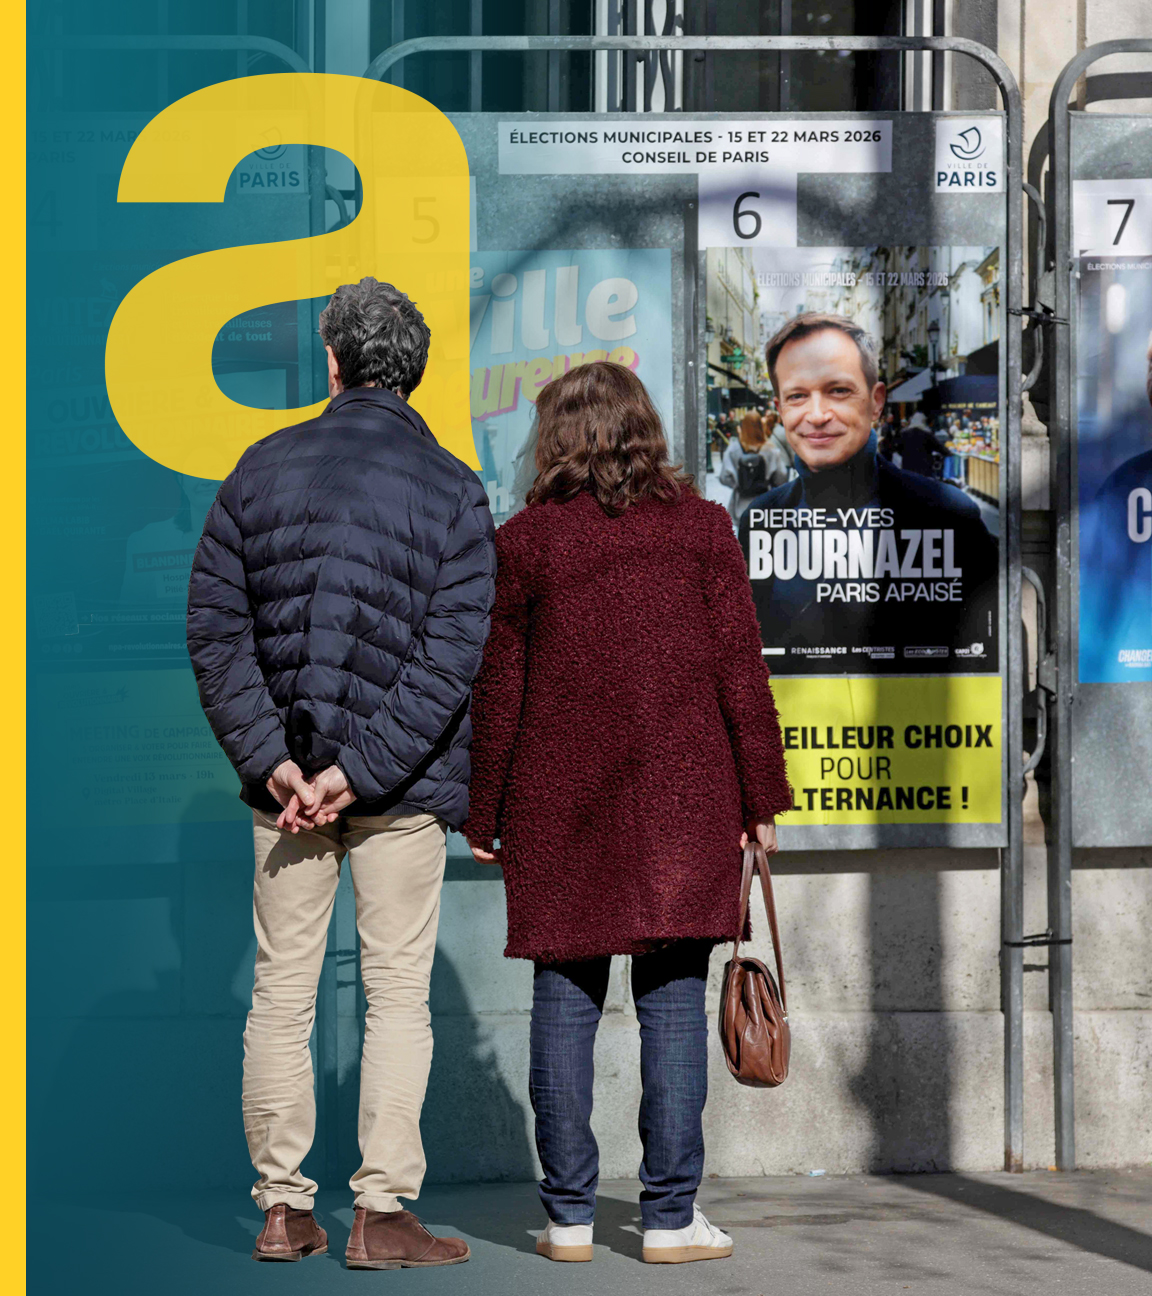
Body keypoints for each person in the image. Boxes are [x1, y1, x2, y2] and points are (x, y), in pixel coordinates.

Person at [186, 277, 495, 1269]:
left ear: (332, 363)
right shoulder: (453, 489)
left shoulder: (257, 470)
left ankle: (282, 1209)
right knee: (397, 991)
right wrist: (360, 772)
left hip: (286, 793)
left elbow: (215, 631)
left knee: (283, 987)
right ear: (415, 371)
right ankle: (381, 1214)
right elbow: (451, 660)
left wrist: (278, 764)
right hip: (394, 793)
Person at [460, 361, 792, 1267]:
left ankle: (568, 1218)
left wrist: (482, 810)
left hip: (557, 810)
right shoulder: (701, 530)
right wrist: (761, 795)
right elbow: (740, 673)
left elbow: (501, 691)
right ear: (645, 432)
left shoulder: (523, 542)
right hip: (686, 808)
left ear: (556, 439)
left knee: (563, 1008)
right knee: (675, 1009)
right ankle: (672, 1219)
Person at [739, 312, 998, 665]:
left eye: (839, 390)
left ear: (876, 401)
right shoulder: (760, 522)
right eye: (797, 396)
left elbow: (990, 658)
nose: (816, 414)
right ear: (780, 409)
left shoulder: (947, 515)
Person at [718, 409, 790, 523]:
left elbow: (724, 477)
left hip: (740, 506)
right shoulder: (770, 449)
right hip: (765, 505)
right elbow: (781, 478)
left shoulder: (733, 449)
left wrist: (740, 484)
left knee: (742, 536)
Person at [899, 409, 950, 478]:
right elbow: (939, 447)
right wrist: (948, 452)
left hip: (907, 468)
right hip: (923, 470)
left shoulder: (904, 434)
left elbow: (898, 449)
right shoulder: (926, 434)